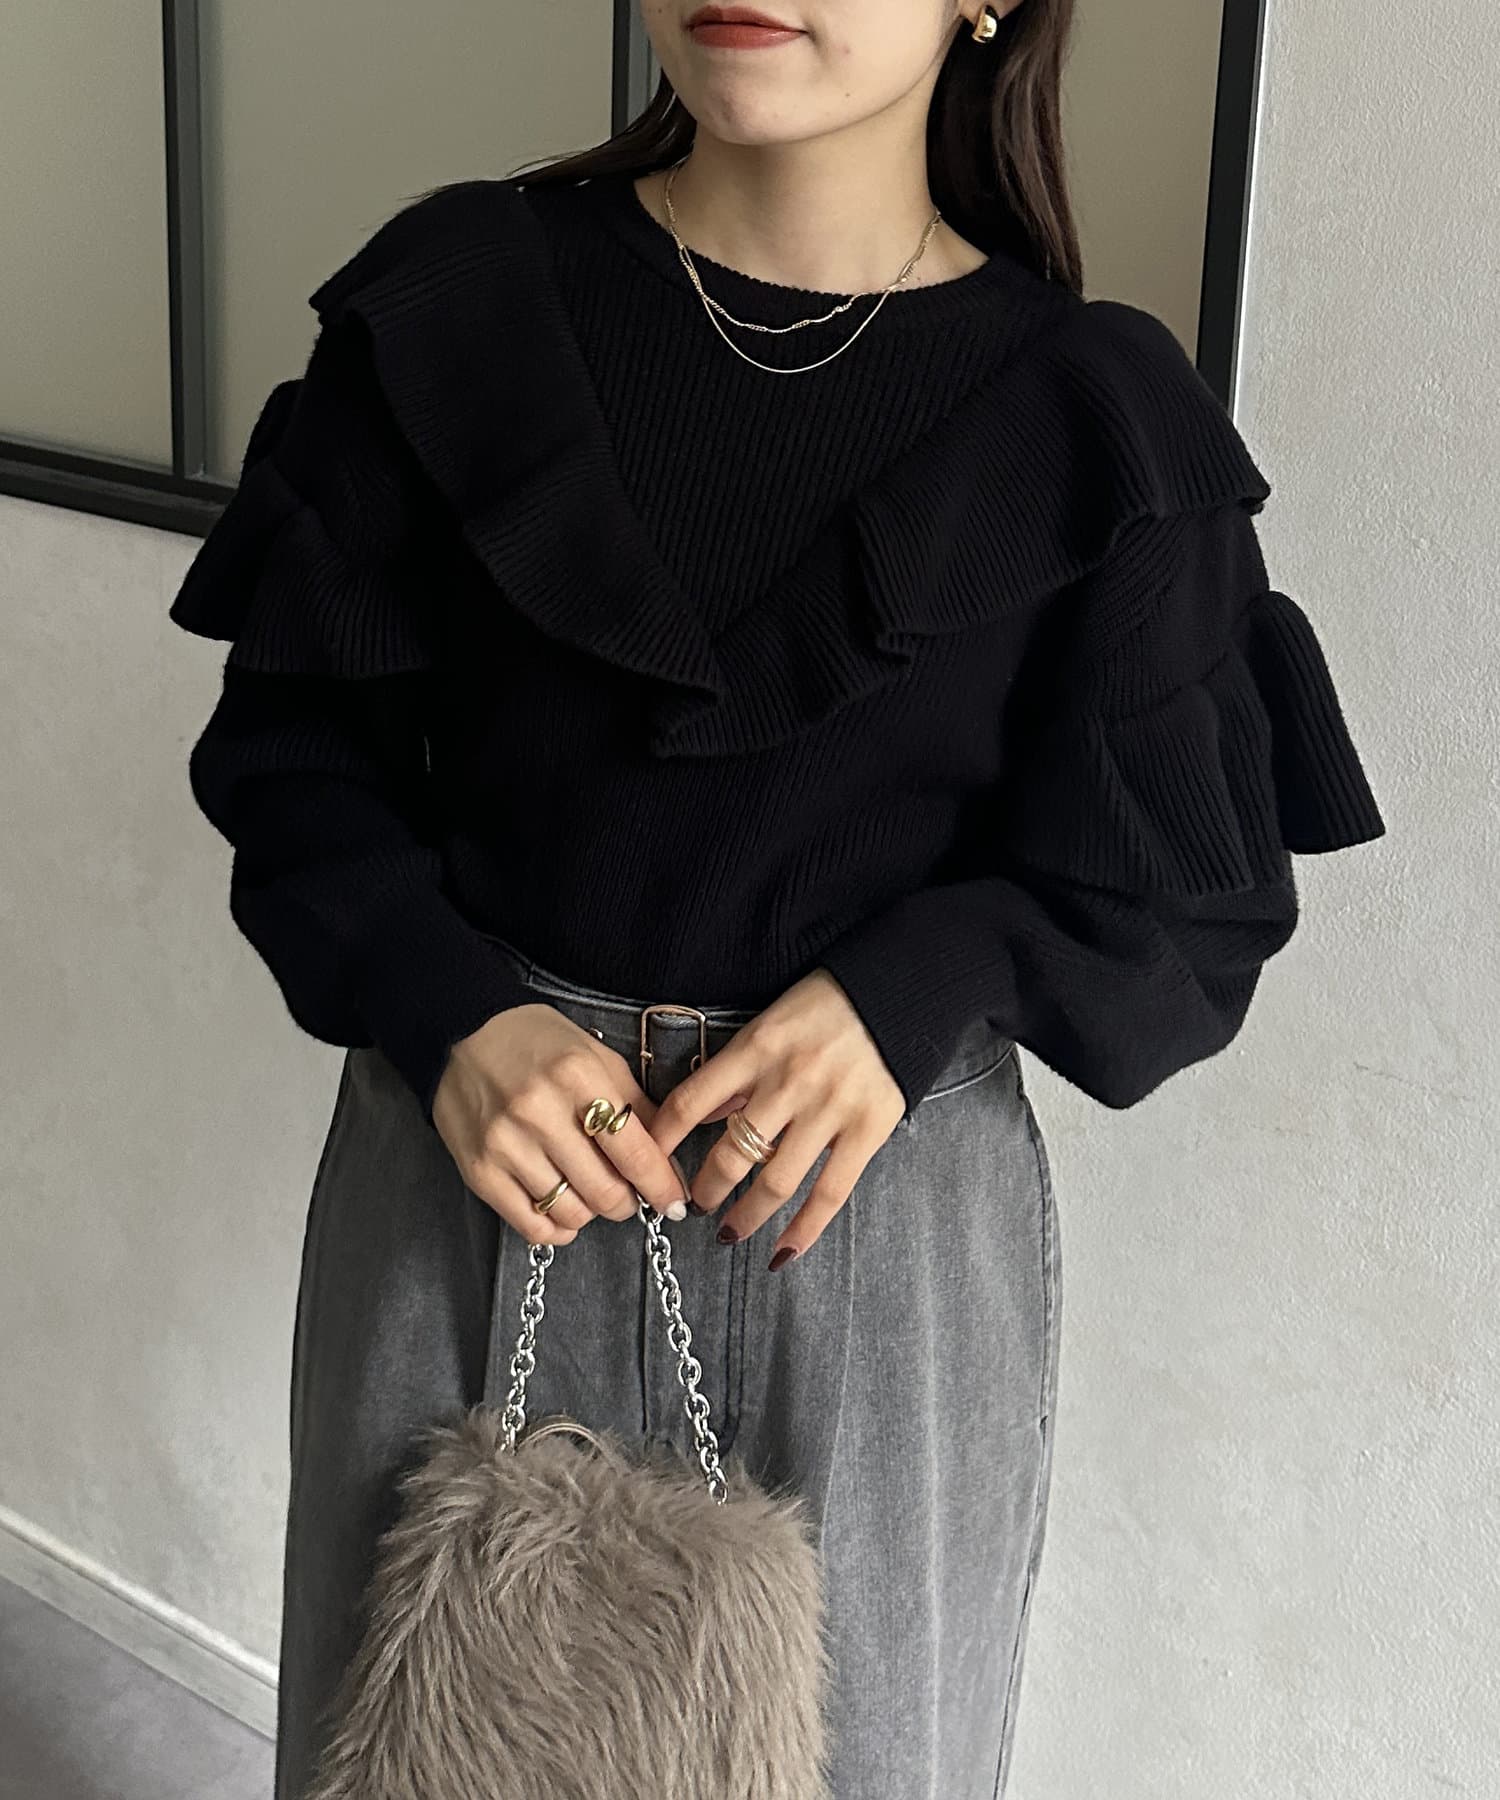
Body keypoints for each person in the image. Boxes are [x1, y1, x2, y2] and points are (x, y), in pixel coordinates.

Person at [167, 2, 1387, 1795]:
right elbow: (293, 756)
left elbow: (1184, 900)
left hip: (870, 1241)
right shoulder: (462, 307)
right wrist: (451, 1008)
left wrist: (917, 987)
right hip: (477, 1170)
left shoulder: (1096, 411)